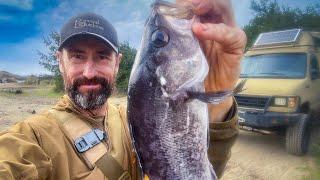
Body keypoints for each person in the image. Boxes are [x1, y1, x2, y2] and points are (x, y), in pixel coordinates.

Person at [0, 0, 246, 179]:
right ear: (60, 62)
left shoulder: (135, 118)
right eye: (76, 56)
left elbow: (193, 166)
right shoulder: (34, 136)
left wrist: (218, 93)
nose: (89, 71)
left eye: (102, 56)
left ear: (117, 62)